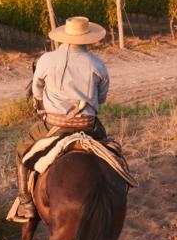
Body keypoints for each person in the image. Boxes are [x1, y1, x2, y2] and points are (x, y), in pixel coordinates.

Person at [13, 16, 111, 221]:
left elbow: (36, 89)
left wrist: (41, 101)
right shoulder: (97, 64)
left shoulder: (46, 60)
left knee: (22, 152)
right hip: (88, 125)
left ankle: (25, 203)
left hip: (53, 125)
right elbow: (101, 98)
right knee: (111, 151)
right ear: (88, 38)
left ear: (64, 37)